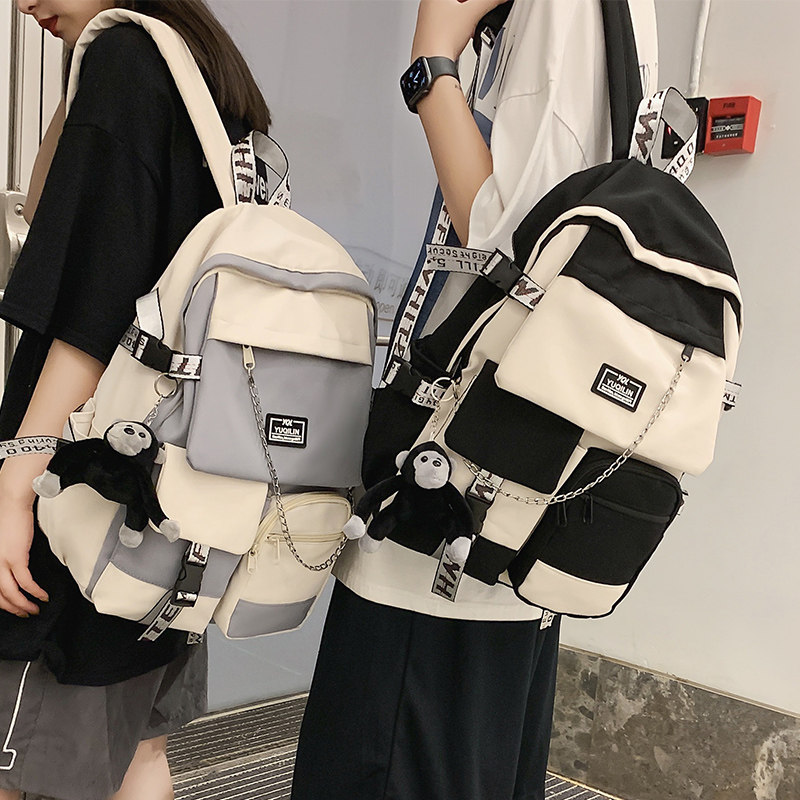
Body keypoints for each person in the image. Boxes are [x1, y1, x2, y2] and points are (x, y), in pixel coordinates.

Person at [291, 1, 657, 799]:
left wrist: (432, 60)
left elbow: (513, 254)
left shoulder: (561, 17)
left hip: (446, 519)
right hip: (503, 505)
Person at [0, 1, 269, 798]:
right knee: (140, 753)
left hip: (84, 485)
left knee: (19, 761)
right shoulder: (205, 70)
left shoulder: (127, 61)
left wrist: (18, 482)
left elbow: (92, 314)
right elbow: (58, 215)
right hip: (176, 490)